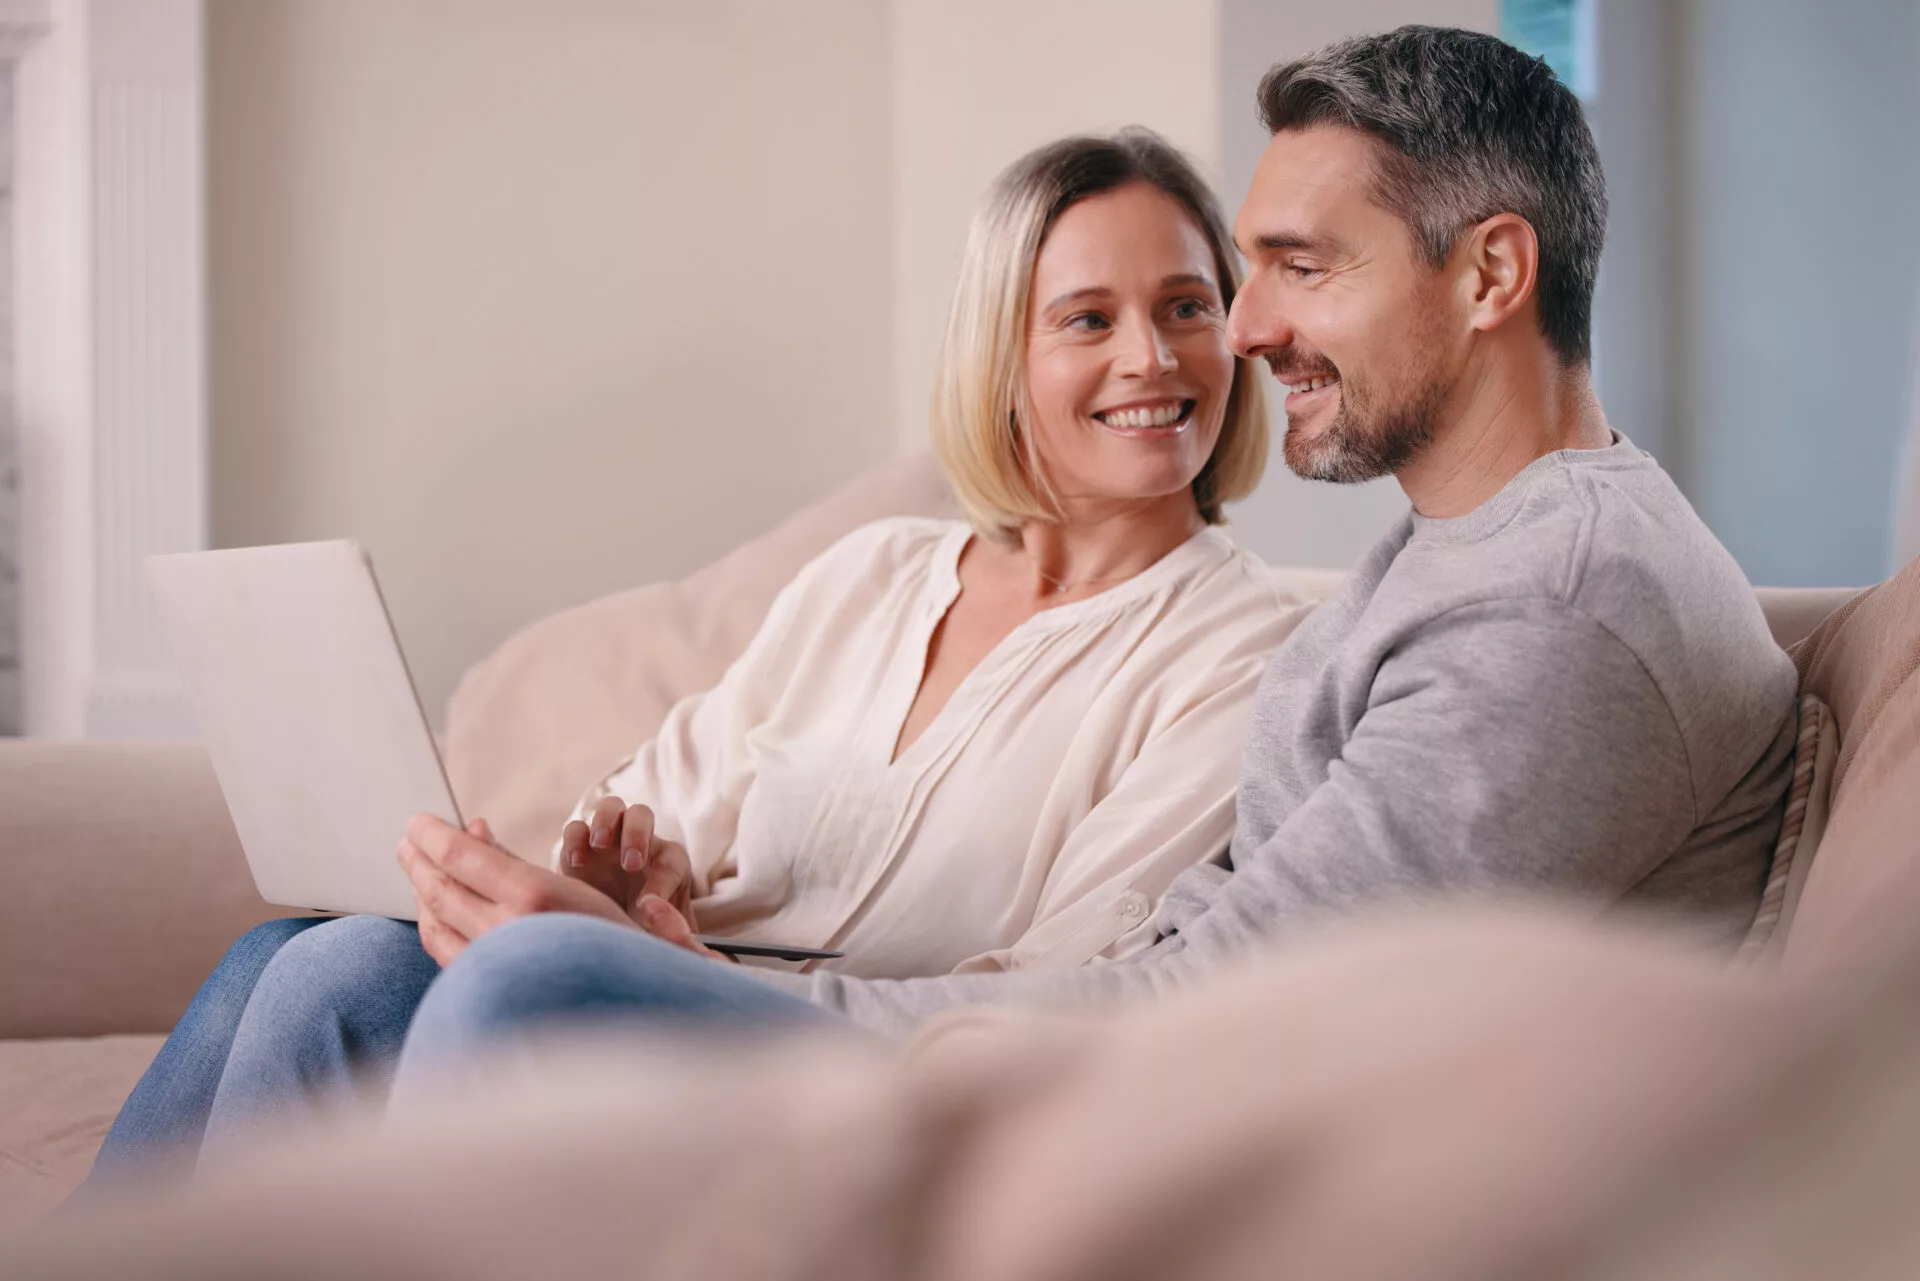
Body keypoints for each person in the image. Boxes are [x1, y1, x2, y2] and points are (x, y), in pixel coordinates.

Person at [371, 23, 1798, 1051]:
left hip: (1146, 1131)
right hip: (1100, 1078)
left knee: (522, 990)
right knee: (346, 970)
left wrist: (713, 994)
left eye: (1298, 270)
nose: (1242, 333)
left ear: (1491, 274)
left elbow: (1236, 1017)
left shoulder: (1557, 609)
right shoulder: (1463, 558)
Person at [83, 129, 1311, 1183]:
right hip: (655, 994)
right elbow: (664, 795)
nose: (1154, 357)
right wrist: (626, 881)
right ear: (1000, 361)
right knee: (286, 950)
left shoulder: (1243, 647)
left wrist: (683, 970)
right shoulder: (874, 573)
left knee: (347, 975)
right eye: (1090, 319)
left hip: (837, 1072)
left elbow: (1073, 981)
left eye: (1187, 307)